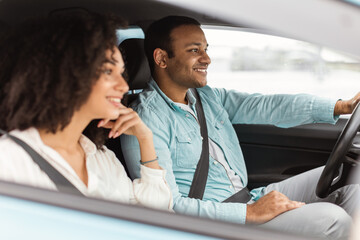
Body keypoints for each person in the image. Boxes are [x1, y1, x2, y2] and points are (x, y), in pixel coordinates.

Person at [120, 15, 360, 239]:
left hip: (248, 199)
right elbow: (169, 205)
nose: (207, 59)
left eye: (206, 49)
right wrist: (250, 213)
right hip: (222, 222)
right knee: (333, 220)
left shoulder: (205, 97)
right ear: (162, 58)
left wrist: (341, 106)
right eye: (195, 50)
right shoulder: (144, 120)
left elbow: (268, 106)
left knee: (350, 181)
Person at [0, 12, 172, 211]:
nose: (123, 86)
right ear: (65, 73)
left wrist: (145, 139)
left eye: (121, 72)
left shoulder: (101, 157)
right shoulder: (10, 160)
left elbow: (154, 216)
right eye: (108, 71)